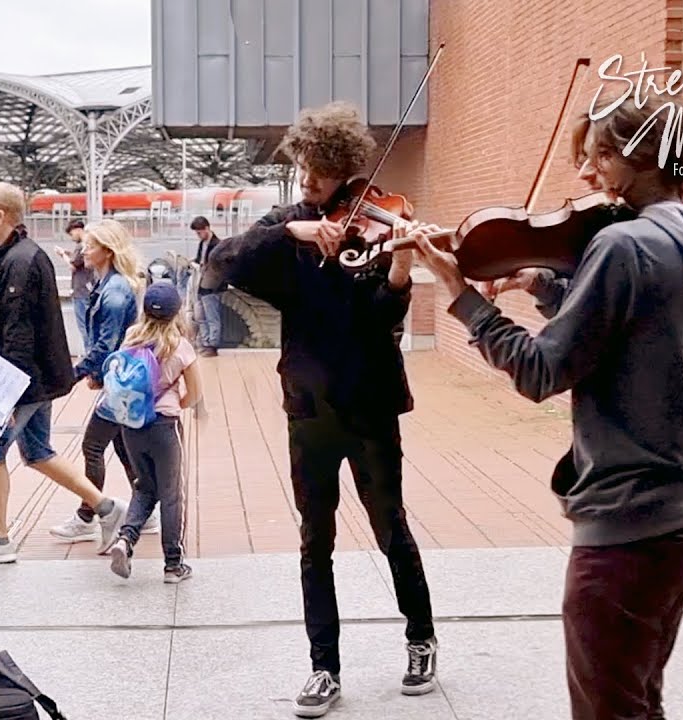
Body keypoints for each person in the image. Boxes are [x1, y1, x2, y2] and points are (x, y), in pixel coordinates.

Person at [405, 96, 683, 720]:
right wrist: (543, 283)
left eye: (599, 157)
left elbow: (539, 372)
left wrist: (459, 293)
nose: (585, 176)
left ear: (636, 159)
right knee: (638, 700)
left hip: (628, 527)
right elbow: (629, 328)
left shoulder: (623, 246)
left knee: (608, 710)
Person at [199, 101, 439, 717]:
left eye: (322, 171)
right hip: (308, 407)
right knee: (315, 539)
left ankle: (420, 637)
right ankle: (323, 668)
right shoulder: (290, 226)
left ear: (346, 168)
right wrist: (292, 232)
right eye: (305, 166)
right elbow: (216, 267)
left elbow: (385, 319)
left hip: (370, 401)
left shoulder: (380, 222)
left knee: (391, 528)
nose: (310, 180)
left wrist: (403, 267)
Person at [0, 182, 128, 566]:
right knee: (37, 452)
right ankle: (108, 508)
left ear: (0, 215)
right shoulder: (19, 256)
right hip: (37, 378)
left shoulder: (18, 260)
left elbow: (17, 334)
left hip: (24, 382)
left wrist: (7, 396)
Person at [50, 219, 158, 543]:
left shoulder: (113, 292)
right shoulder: (110, 283)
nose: (84, 249)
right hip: (121, 380)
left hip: (120, 384)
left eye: (91, 245)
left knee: (93, 446)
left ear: (107, 251)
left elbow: (105, 344)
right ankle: (146, 511)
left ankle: (87, 516)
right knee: (123, 447)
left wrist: (76, 374)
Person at [105, 281, 201, 583]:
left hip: (131, 425)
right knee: (172, 494)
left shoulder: (131, 339)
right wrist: (175, 402)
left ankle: (126, 539)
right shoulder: (180, 346)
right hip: (164, 426)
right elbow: (195, 394)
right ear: (176, 313)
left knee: (145, 486)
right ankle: (173, 564)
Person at [55, 219, 93, 349]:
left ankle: (89, 353)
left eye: (71, 234)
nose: (72, 238)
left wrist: (62, 255)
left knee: (84, 327)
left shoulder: (82, 246)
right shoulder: (88, 246)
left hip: (81, 291)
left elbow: (73, 265)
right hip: (87, 290)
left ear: (78, 230)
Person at [190, 216, 224, 356]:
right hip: (201, 283)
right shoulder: (202, 244)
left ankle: (213, 345)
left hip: (212, 285)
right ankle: (205, 342)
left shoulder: (218, 245)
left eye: (199, 232)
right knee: (201, 316)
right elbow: (200, 260)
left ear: (207, 229)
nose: (198, 236)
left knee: (212, 316)